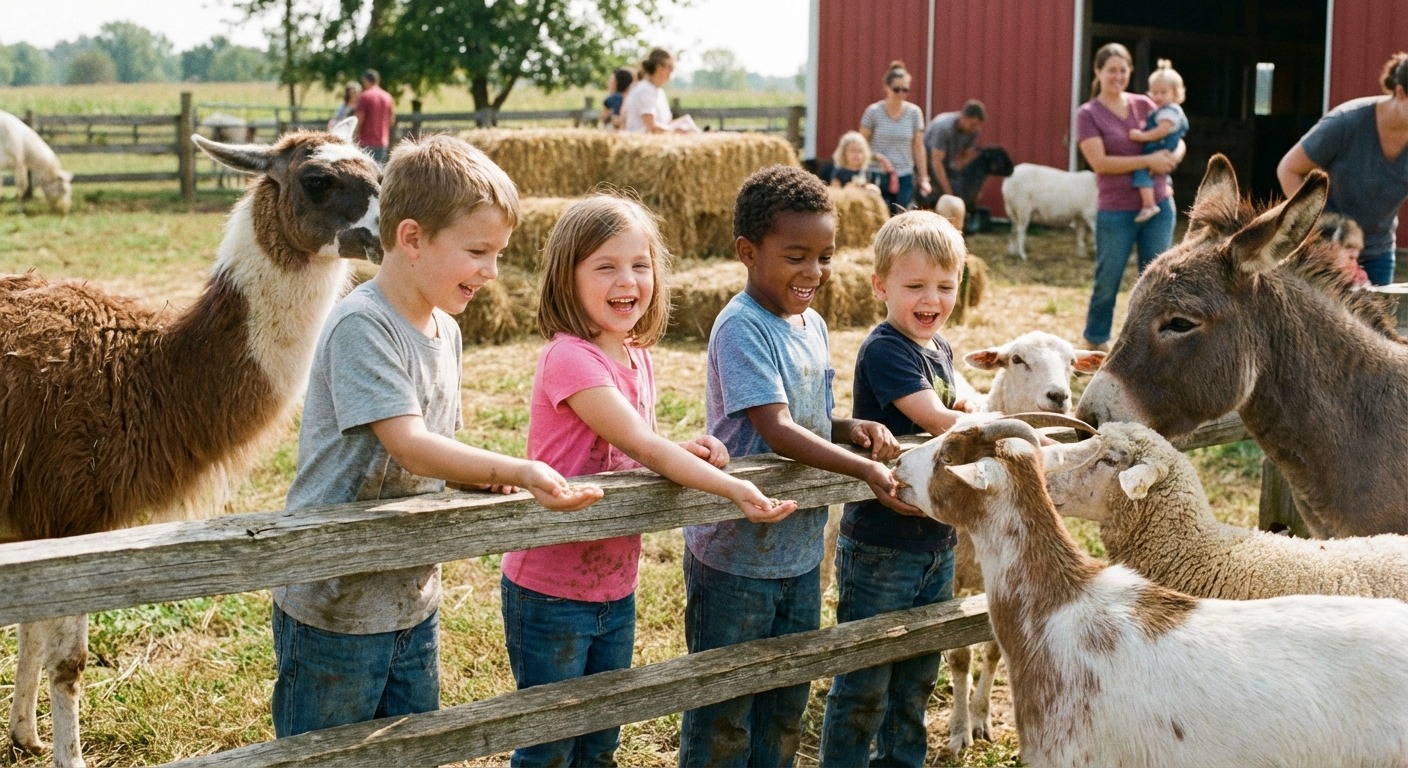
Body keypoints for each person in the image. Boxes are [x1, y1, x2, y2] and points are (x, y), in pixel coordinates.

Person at [270, 134, 603, 739]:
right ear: (413, 238)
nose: (492, 272)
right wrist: (517, 469)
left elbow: (439, 449)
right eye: (478, 251)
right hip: (335, 598)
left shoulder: (445, 331)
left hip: (410, 594)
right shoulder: (362, 325)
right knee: (323, 754)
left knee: (413, 746)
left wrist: (473, 474)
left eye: (498, 253)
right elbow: (410, 443)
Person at [502, 194, 798, 766]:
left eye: (640, 265)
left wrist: (683, 448)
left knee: (600, 739)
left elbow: (634, 450)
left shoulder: (637, 356)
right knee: (549, 745)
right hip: (551, 586)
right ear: (567, 275)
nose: (628, 280)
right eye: (605, 266)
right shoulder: (571, 358)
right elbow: (644, 446)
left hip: (615, 581)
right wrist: (732, 488)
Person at [678, 164, 920, 767]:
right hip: (736, 553)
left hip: (799, 549)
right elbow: (776, 429)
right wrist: (861, 470)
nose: (813, 272)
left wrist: (850, 427)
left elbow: (807, 417)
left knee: (787, 701)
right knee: (724, 710)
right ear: (747, 251)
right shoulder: (740, 327)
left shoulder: (809, 322)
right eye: (795, 256)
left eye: (825, 257)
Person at [818, 210, 973, 767]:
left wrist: (974, 403)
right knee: (865, 679)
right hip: (882, 545)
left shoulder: (941, 350)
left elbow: (957, 398)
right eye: (915, 287)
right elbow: (935, 417)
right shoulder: (885, 349)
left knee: (916, 676)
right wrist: (997, 422)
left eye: (945, 286)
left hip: (934, 540)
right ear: (881, 286)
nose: (931, 299)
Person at [1076, 42, 1185, 352]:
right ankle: (1096, 340)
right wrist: (1149, 162)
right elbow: (1100, 163)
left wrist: (1173, 157)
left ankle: (1151, 345)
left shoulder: (1145, 104)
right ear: (1098, 71)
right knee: (1107, 281)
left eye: (1123, 70)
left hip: (1160, 206)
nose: (1118, 76)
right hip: (1116, 210)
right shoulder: (1088, 114)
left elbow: (1177, 138)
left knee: (1158, 282)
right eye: (1111, 70)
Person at [1278, 51, 1408, 286]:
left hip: (1378, 252)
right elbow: (1288, 170)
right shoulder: (1347, 122)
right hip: (1328, 252)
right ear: (1401, 93)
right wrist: (1322, 229)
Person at [860, 61, 931, 214]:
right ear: (886, 88)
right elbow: (861, 144)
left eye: (905, 90)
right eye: (896, 89)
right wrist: (875, 158)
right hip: (877, 173)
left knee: (902, 215)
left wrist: (924, 178)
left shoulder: (914, 113)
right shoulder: (873, 112)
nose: (901, 94)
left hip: (904, 174)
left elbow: (918, 146)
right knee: (880, 215)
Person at [1129, 60, 1189, 224]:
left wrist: (1141, 136)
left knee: (1141, 172)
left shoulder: (1170, 112)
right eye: (1155, 92)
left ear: (1175, 94)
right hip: (1161, 150)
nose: (1158, 96)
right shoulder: (1162, 110)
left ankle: (1149, 205)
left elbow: (1161, 131)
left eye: (1163, 92)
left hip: (1160, 148)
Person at [923, 99, 986, 219]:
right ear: (963, 117)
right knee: (933, 196)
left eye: (978, 125)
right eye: (972, 124)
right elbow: (936, 162)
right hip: (926, 163)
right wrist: (948, 192)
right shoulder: (944, 127)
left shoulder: (974, 131)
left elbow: (963, 158)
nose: (975, 129)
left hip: (946, 163)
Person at [622, 48, 698, 134]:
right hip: (644, 143)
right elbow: (651, 126)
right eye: (670, 67)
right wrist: (676, 131)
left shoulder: (658, 91)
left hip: (657, 142)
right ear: (659, 67)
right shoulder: (644, 90)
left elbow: (665, 123)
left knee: (687, 122)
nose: (672, 72)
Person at [1317, 211, 1371, 290]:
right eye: (1350, 257)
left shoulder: (1358, 278)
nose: (1353, 265)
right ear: (1326, 248)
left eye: (1355, 259)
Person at [354, 68, 395, 163]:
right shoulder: (387, 97)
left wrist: (355, 135)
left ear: (366, 80)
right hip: (382, 141)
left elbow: (360, 118)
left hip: (365, 141)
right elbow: (391, 121)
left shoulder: (365, 96)